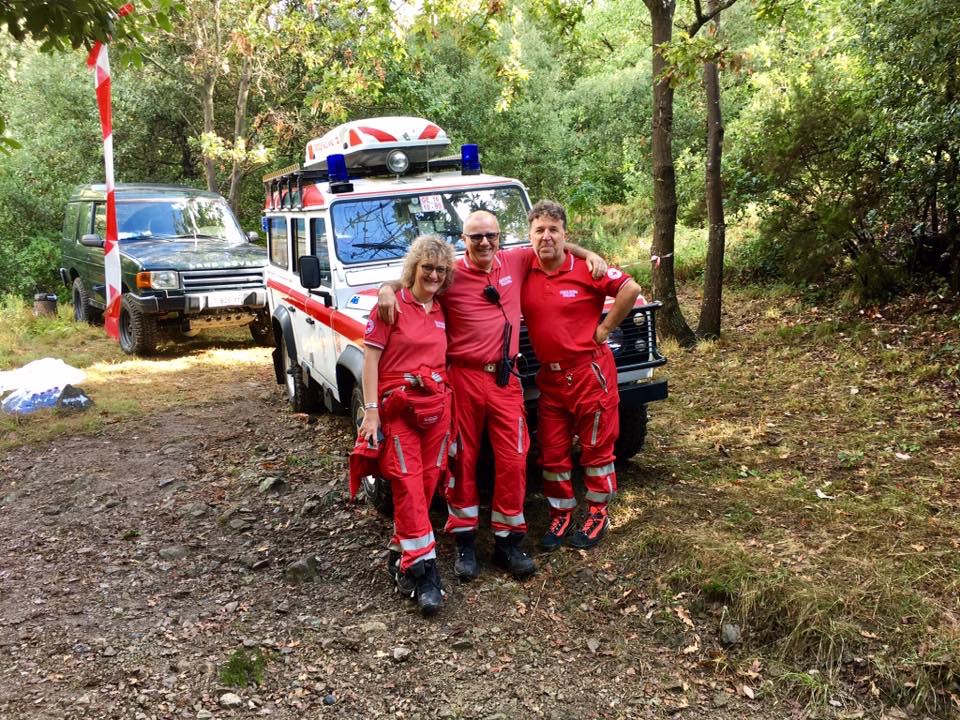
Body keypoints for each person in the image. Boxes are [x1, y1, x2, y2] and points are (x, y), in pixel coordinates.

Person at [378, 211, 607, 581]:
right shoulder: (449, 274)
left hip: (505, 379)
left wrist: (587, 255)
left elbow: (549, 244)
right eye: (475, 237)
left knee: (514, 458)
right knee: (464, 459)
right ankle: (465, 542)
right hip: (463, 378)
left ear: (500, 237)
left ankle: (508, 540)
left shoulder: (515, 260)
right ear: (463, 241)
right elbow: (416, 280)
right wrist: (386, 288)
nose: (485, 243)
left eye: (491, 235)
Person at [520, 200, 641, 550]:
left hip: (590, 374)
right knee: (553, 453)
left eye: (553, 230)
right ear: (530, 236)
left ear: (564, 234)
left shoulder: (587, 268)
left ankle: (598, 513)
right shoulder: (525, 267)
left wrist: (604, 328)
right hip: (551, 380)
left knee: (596, 449)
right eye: (539, 230)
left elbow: (630, 289)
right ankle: (561, 514)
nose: (546, 236)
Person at [358, 234, 456, 616]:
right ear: (413, 268)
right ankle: (425, 573)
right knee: (408, 484)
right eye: (427, 267)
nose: (433, 275)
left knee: (427, 483)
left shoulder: (442, 308)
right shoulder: (391, 305)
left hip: (435, 411)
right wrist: (370, 411)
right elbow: (370, 359)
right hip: (398, 412)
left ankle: (401, 555)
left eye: (440, 269)